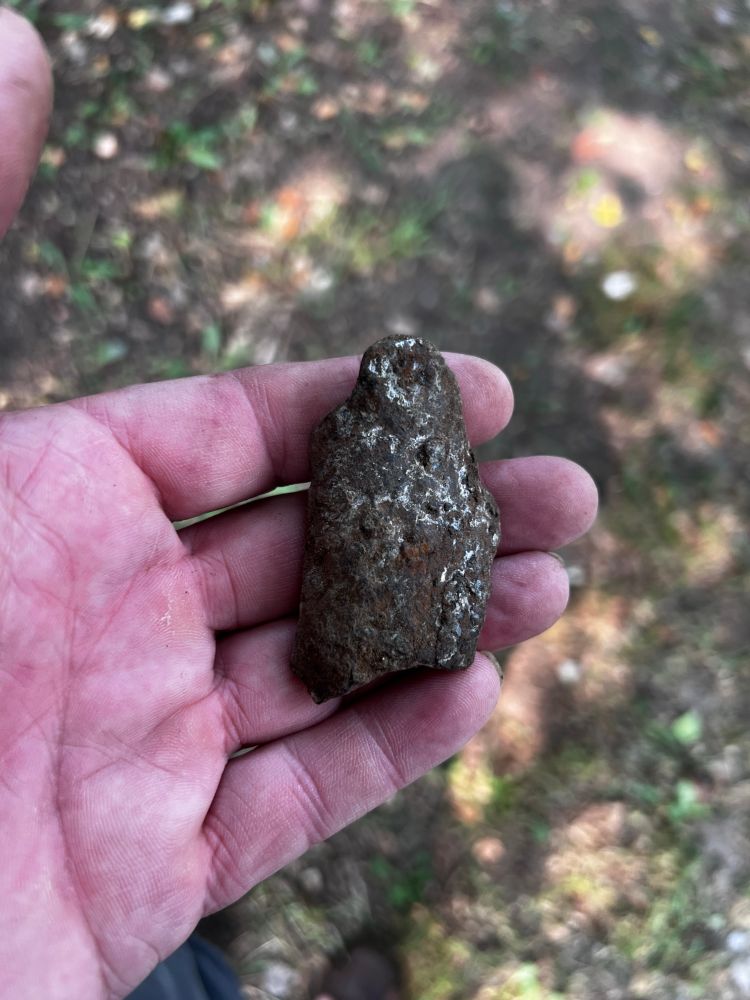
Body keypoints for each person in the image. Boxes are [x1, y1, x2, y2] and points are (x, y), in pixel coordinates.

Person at [0, 9, 598, 999]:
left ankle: (191, 929)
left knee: (168, 960)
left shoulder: (376, 445)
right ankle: (193, 930)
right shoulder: (364, 441)